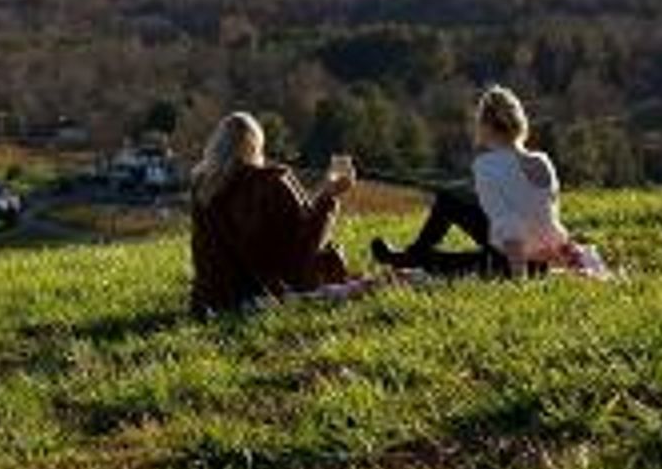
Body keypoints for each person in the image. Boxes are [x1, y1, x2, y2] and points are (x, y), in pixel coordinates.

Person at [373, 85, 600, 278]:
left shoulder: (486, 166)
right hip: (545, 255)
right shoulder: (542, 160)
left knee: (440, 257)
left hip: (514, 261)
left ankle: (411, 257)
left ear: (485, 126)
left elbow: (510, 225)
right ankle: (411, 256)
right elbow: (544, 217)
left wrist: (518, 277)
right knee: (450, 199)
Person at [187, 111, 360, 315]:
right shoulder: (272, 182)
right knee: (383, 282)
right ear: (256, 145)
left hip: (212, 303)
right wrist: (329, 197)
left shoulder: (203, 188)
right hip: (262, 299)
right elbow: (303, 251)